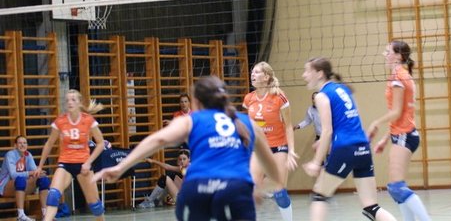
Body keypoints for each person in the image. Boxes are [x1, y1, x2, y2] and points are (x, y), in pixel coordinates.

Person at [93, 76, 282, 221]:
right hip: (237, 189)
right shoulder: (248, 124)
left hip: (199, 188)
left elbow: (158, 139)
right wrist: (258, 187)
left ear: (196, 102)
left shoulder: (191, 120)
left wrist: (121, 167)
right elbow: (274, 170)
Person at [302, 57, 397, 221]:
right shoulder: (344, 89)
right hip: (363, 148)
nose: (304, 75)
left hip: (345, 148)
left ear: (319, 73)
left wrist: (316, 163)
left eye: (307, 71)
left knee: (319, 196)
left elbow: (327, 131)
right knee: (371, 207)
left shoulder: (322, 96)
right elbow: (349, 121)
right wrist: (325, 142)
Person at [367, 41, 432, 221]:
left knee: (396, 187)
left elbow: (395, 113)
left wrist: (376, 123)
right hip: (403, 133)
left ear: (398, 56)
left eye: (387, 51)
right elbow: (402, 114)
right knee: (396, 188)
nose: (384, 54)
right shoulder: (403, 74)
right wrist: (385, 139)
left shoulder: (398, 76)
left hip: (405, 134)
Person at [34, 89, 106, 221]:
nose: (70, 102)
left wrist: (88, 162)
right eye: (67, 100)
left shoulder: (88, 120)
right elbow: (49, 144)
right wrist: (40, 166)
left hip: (83, 165)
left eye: (73, 99)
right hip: (65, 164)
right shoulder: (61, 121)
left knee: (95, 205)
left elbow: (101, 143)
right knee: (53, 195)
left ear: (79, 102)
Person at [243, 61, 297, 221]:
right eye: (252, 72)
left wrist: (291, 151)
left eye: (257, 72)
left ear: (266, 76)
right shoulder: (249, 99)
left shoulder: (279, 97)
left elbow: (288, 126)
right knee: (251, 189)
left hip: (278, 146)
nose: (252, 75)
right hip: (259, 148)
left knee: (279, 192)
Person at [0, 136, 51, 221]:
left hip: (21, 185)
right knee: (20, 180)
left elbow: (34, 170)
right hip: (5, 186)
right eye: (20, 143)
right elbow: (13, 175)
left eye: (24, 143)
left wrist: (38, 173)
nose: (22, 145)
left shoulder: (28, 155)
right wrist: (30, 173)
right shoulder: (10, 155)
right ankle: (21, 215)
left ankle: (45, 214)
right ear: (15, 145)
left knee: (43, 180)